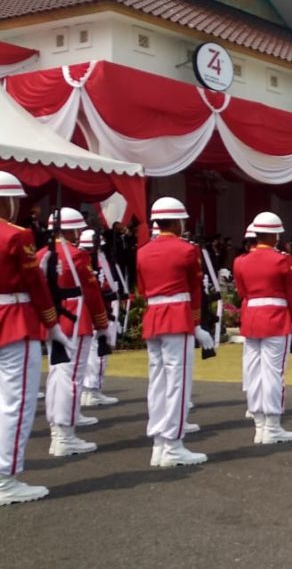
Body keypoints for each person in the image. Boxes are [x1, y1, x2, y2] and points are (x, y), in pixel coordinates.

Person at [0, 172, 69, 505]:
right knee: (16, 402)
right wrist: (51, 323)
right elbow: (36, 286)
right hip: (15, 320)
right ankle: (5, 478)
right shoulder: (17, 235)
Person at [137, 197, 211, 467]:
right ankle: (173, 444)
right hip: (177, 316)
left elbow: (143, 289)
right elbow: (194, 290)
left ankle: (159, 442)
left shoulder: (143, 251)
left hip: (153, 316)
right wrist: (196, 323)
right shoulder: (187, 250)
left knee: (156, 382)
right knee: (177, 382)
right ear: (179, 221)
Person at [37, 208, 112, 457]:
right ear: (70, 230)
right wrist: (102, 325)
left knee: (57, 376)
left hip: (53, 320)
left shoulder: (40, 255)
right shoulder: (77, 256)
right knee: (70, 378)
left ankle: (58, 429)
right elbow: (91, 293)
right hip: (75, 319)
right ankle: (64, 435)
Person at [234, 211, 292, 445]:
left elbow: (242, 293)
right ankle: (272, 426)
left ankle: (259, 426)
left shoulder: (241, 261)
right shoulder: (282, 260)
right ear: (275, 236)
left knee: (254, 372)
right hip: (276, 318)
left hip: (252, 319)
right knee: (273, 373)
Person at [77, 228, 120, 408]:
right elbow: (104, 287)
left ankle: (86, 392)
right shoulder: (94, 262)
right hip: (99, 311)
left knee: (86, 355)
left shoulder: (77, 259)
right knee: (99, 353)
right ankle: (93, 391)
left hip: (84, 313)